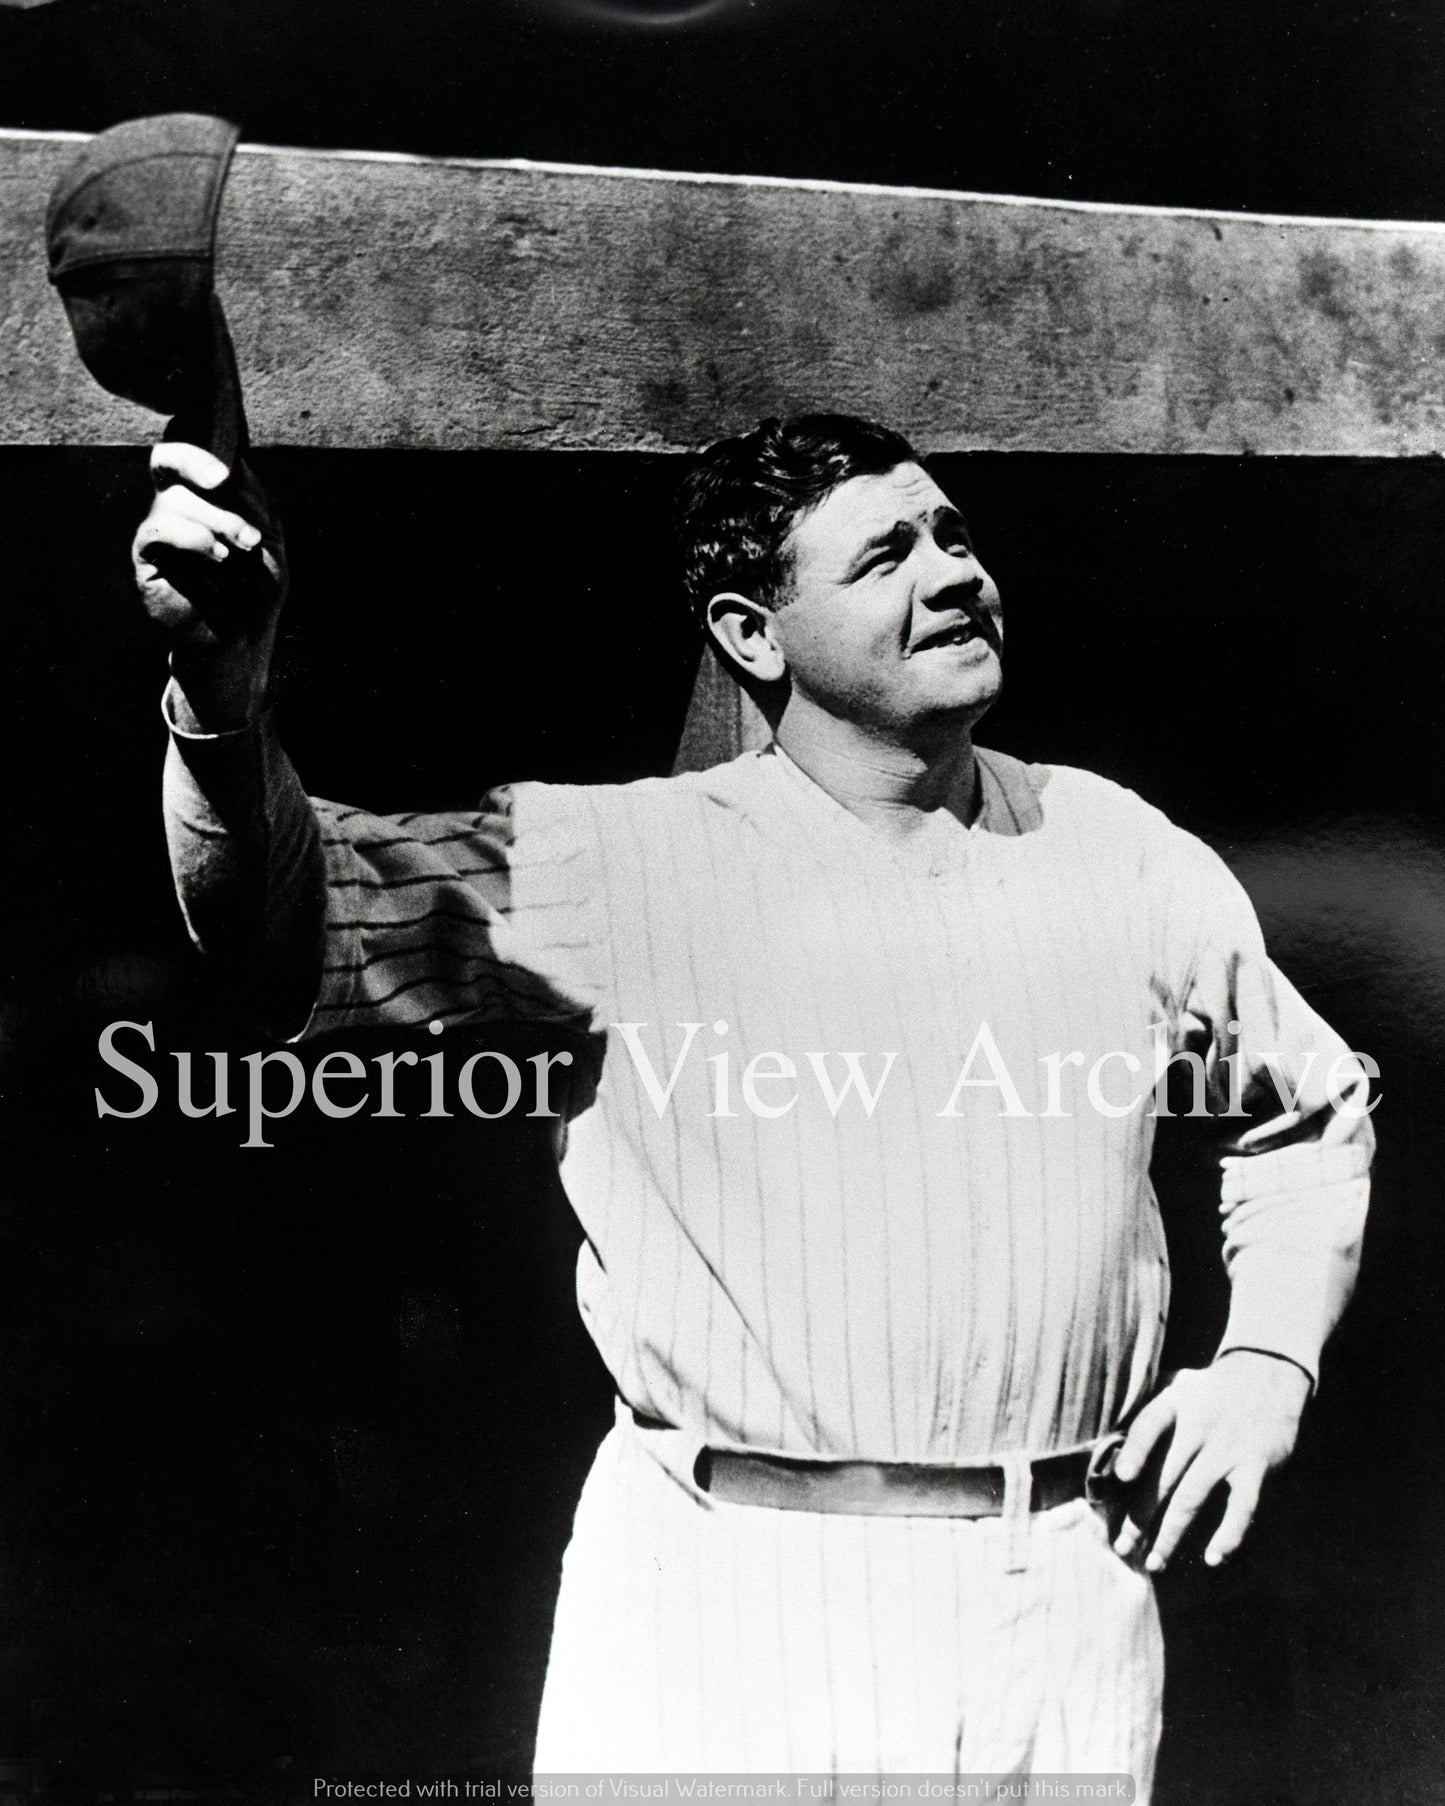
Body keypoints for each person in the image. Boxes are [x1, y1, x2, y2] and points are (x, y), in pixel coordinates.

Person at [136, 413, 1372, 1790]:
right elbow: (285, 937)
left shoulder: (1120, 850)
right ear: (752, 634)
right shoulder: (627, 864)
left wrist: (1265, 1361)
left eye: (954, 534)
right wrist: (220, 695)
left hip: (1060, 1601)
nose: (951, 572)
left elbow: (1308, 1109)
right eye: (886, 555)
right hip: (727, 1598)